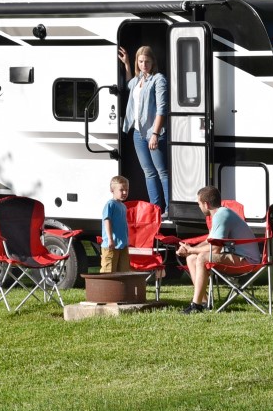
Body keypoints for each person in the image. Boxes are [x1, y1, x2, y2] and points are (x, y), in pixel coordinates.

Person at [176, 186, 258, 314]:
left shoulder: (221, 215)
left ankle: (195, 305)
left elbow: (215, 249)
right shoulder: (220, 214)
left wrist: (191, 249)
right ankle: (203, 302)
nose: (199, 207)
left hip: (247, 262)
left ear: (206, 204)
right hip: (238, 257)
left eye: (199, 204)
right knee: (191, 258)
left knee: (202, 257)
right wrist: (190, 250)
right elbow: (210, 241)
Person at [117, 44, 170, 207]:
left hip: (154, 132)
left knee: (162, 172)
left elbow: (162, 109)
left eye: (147, 61)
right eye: (140, 61)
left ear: (153, 62)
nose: (144, 65)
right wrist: (126, 63)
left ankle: (169, 209)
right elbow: (128, 85)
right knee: (149, 172)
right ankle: (155, 208)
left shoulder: (158, 79)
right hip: (138, 133)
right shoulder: (139, 79)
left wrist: (155, 134)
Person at [100, 176, 131, 274]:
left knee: (123, 271)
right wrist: (110, 239)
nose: (125, 192)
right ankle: (106, 285)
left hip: (122, 245)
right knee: (109, 270)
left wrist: (126, 240)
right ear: (112, 190)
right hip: (111, 245)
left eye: (126, 190)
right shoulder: (110, 204)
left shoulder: (123, 206)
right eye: (121, 190)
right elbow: (107, 221)